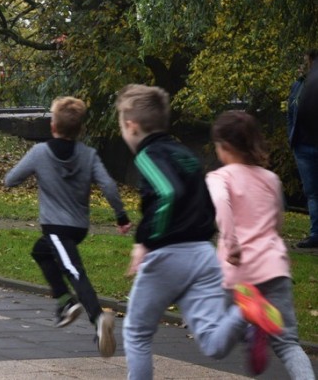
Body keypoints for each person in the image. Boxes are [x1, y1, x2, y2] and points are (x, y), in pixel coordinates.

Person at [115, 84, 285, 380]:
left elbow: (168, 193)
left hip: (168, 256)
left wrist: (144, 241)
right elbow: (204, 198)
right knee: (212, 343)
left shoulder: (146, 155)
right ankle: (246, 310)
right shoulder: (185, 154)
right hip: (203, 255)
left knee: (136, 331)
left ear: (131, 125)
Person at [5, 96, 130, 357]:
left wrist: (34, 175)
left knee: (74, 271)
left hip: (56, 227)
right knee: (40, 252)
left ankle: (97, 318)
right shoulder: (89, 154)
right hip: (78, 227)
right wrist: (121, 216)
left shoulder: (40, 152)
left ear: (53, 126)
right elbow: (108, 185)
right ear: (80, 129)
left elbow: (11, 180)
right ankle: (65, 302)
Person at [206, 111, 315, 378]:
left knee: (217, 341)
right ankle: (256, 328)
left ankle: (247, 316)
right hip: (274, 268)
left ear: (225, 147)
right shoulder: (271, 180)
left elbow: (222, 205)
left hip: (239, 273)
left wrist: (231, 244)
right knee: (288, 343)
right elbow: (278, 221)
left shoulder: (220, 178)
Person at [287, 50, 318, 249]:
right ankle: (316, 233)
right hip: (303, 146)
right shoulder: (298, 86)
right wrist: (292, 137)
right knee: (312, 192)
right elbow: (290, 111)